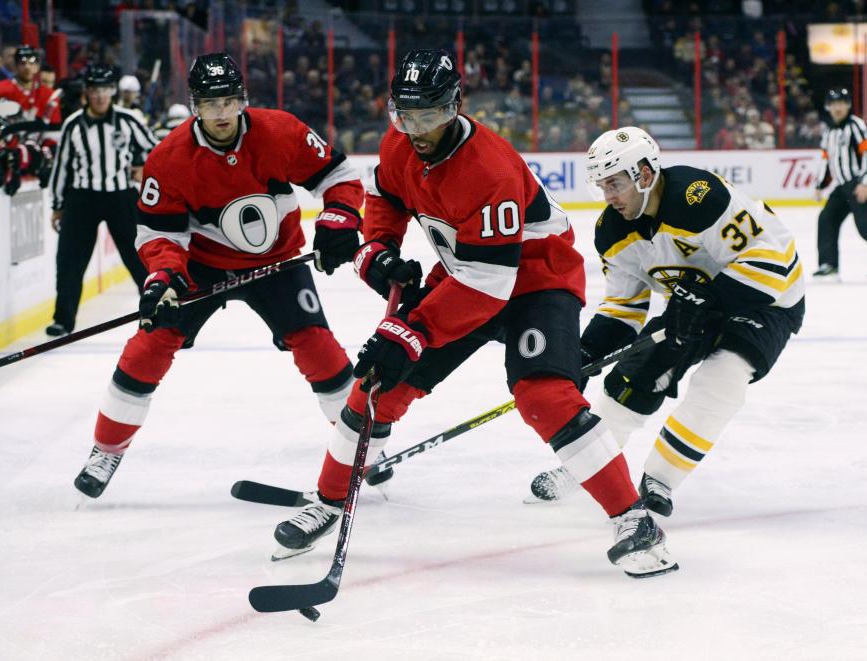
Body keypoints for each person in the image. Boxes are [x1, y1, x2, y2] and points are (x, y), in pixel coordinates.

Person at [271, 50, 678, 579]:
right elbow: (388, 197)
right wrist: (379, 250)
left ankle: (634, 520)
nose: (416, 130)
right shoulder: (399, 144)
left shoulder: (489, 167)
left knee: (544, 395)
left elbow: (490, 287)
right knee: (374, 386)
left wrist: (409, 332)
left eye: (430, 116)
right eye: (405, 115)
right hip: (468, 271)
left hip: (537, 281)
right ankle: (329, 500)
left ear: (455, 106)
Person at [72, 53, 364, 499]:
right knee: (149, 344)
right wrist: (163, 278)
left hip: (277, 263)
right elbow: (157, 234)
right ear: (194, 106)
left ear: (243, 99)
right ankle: (106, 449)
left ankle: (357, 450)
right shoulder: (169, 158)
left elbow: (340, 176)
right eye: (210, 104)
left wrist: (339, 219)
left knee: (319, 348)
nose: (221, 114)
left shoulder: (280, 131)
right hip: (201, 267)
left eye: (229, 101)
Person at [526, 127, 805, 518]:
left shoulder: (698, 197)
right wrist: (583, 352)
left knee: (723, 378)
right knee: (635, 375)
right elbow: (623, 308)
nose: (608, 198)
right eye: (601, 187)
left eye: (615, 184)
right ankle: (585, 465)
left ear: (643, 174)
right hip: (693, 302)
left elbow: (772, 262)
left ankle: (661, 478)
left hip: (768, 300)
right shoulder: (611, 232)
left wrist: (705, 299)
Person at [46, 63, 154, 336]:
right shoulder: (73, 125)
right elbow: (62, 167)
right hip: (81, 199)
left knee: (139, 257)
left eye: (105, 89)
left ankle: (158, 313)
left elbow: (156, 150)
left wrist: (143, 165)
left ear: (113, 91)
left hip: (121, 196)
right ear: (86, 92)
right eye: (94, 90)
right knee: (69, 261)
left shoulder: (128, 120)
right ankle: (63, 320)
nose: (100, 96)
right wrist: (58, 205)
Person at [812, 88, 867, 280]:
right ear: (828, 107)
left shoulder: (857, 125)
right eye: (834, 104)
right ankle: (829, 265)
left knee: (865, 225)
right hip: (842, 187)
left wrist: (865, 182)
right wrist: (819, 185)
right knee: (826, 219)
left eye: (841, 103)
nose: (837, 107)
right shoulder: (829, 131)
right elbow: (826, 160)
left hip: (858, 183)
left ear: (847, 105)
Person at [0, 45, 61, 124]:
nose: (27, 67)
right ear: (16, 66)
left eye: (31, 63)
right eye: (22, 63)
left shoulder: (49, 95)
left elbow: (54, 131)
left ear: (38, 67)